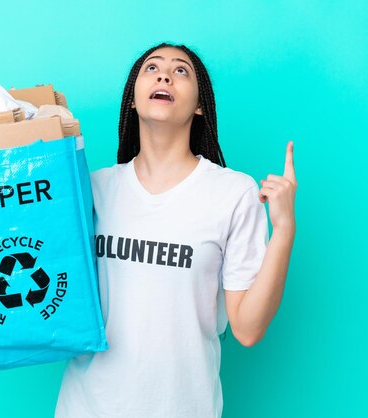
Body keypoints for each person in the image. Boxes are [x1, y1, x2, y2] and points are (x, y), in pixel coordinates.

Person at [55, 42, 296, 418]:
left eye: (181, 71)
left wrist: (283, 229)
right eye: (151, 68)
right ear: (132, 99)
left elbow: (247, 329)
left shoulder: (233, 193)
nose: (164, 74)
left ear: (200, 105)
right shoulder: (92, 190)